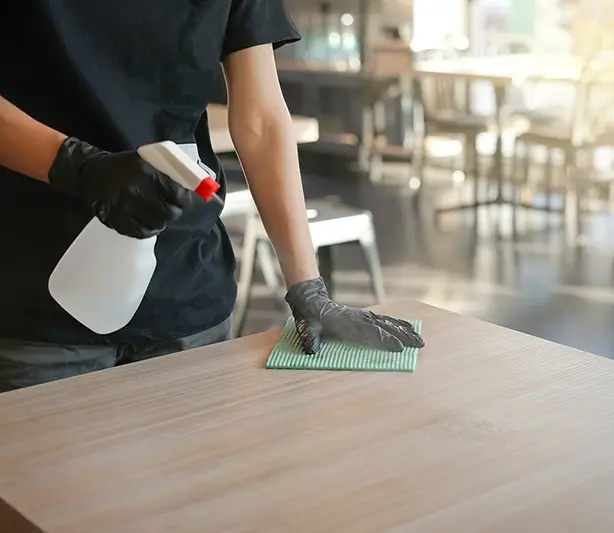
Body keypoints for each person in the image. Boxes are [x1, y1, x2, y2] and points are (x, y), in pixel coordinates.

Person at [0, 1, 423, 392]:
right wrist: (77, 165)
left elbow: (260, 119)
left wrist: (307, 286)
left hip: (189, 298)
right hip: (38, 300)